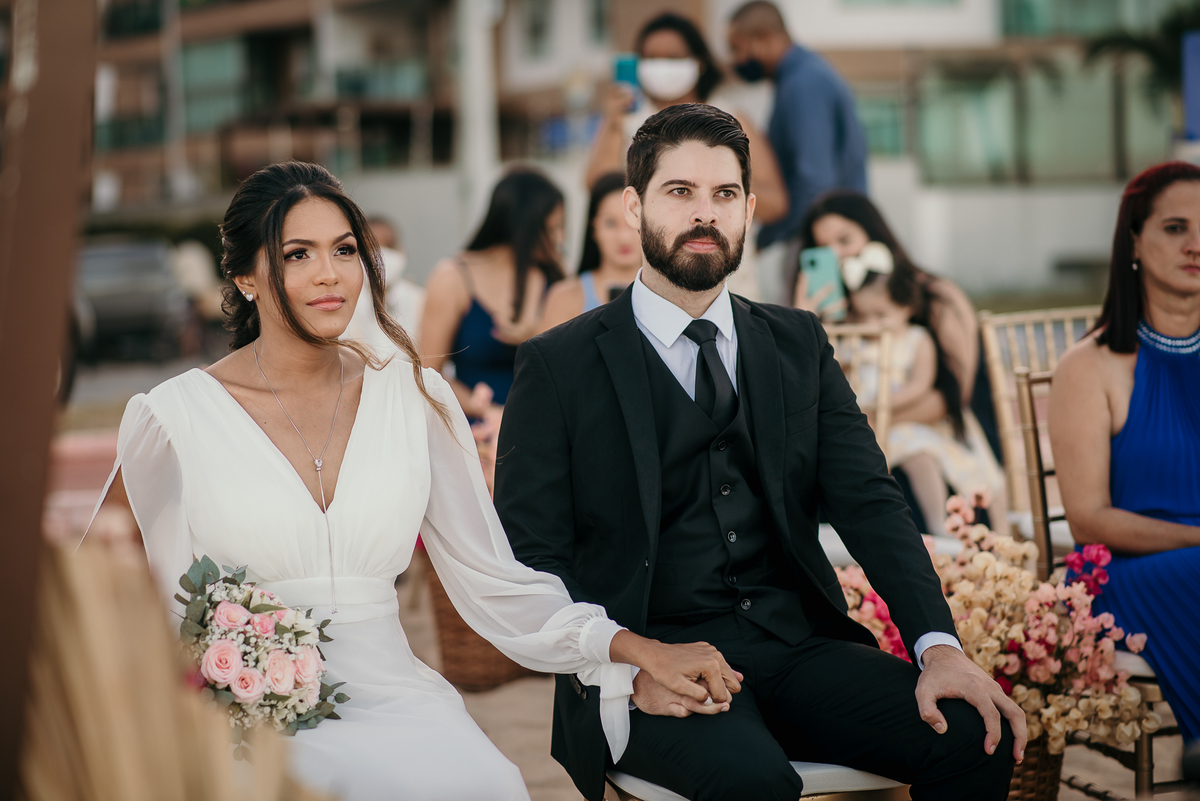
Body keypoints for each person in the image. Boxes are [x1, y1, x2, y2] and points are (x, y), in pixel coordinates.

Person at [88, 161, 745, 801]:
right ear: (245, 277)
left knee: (489, 784)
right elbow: (95, 590)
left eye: (346, 250)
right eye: (296, 254)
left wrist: (635, 649)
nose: (329, 274)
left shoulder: (414, 397)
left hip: (396, 695)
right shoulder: (174, 416)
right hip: (240, 713)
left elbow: (496, 580)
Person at [495, 104, 1023, 801]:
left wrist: (940, 645)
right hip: (649, 665)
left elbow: (870, 501)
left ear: (749, 210)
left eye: (725, 194)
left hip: (795, 645)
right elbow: (531, 562)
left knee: (976, 733)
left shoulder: (798, 342)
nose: (704, 214)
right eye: (679, 192)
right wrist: (624, 670)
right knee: (751, 781)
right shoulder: (556, 365)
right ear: (633, 206)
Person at [1049, 161, 1200, 744]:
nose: (1196, 244)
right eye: (1175, 227)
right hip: (1128, 574)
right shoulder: (1090, 368)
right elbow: (1088, 519)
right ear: (1133, 240)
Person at [586, 13, 788, 228]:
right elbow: (598, 188)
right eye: (651, 58)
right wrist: (613, 123)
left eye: (673, 58)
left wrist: (720, 185)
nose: (661, 66)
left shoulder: (730, 119)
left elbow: (776, 203)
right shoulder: (625, 118)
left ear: (699, 63)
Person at [846, 267, 1006, 535]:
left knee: (928, 458)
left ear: (906, 308)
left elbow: (920, 385)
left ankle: (941, 523)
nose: (871, 324)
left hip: (906, 419)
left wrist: (882, 404)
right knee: (904, 460)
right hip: (873, 426)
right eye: (863, 315)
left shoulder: (916, 340)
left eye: (881, 315)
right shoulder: (856, 344)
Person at [727, 1, 868, 305]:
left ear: (764, 38)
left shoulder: (804, 84)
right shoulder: (801, 78)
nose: (736, 60)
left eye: (738, 48)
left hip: (824, 240)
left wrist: (762, 239)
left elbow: (814, 180)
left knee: (813, 336)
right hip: (826, 234)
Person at [420, 169, 564, 419]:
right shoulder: (453, 277)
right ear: (524, 225)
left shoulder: (554, 278)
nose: (560, 239)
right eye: (552, 229)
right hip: (477, 432)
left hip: (544, 425)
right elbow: (427, 374)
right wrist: (486, 410)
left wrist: (534, 336)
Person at [541, 172, 643, 332]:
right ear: (593, 228)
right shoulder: (565, 298)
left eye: (633, 220)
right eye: (610, 223)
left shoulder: (676, 294)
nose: (624, 237)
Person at [341, 216, 424, 355]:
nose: (381, 254)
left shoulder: (421, 301)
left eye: (389, 246)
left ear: (402, 251)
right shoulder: (341, 303)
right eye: (370, 247)